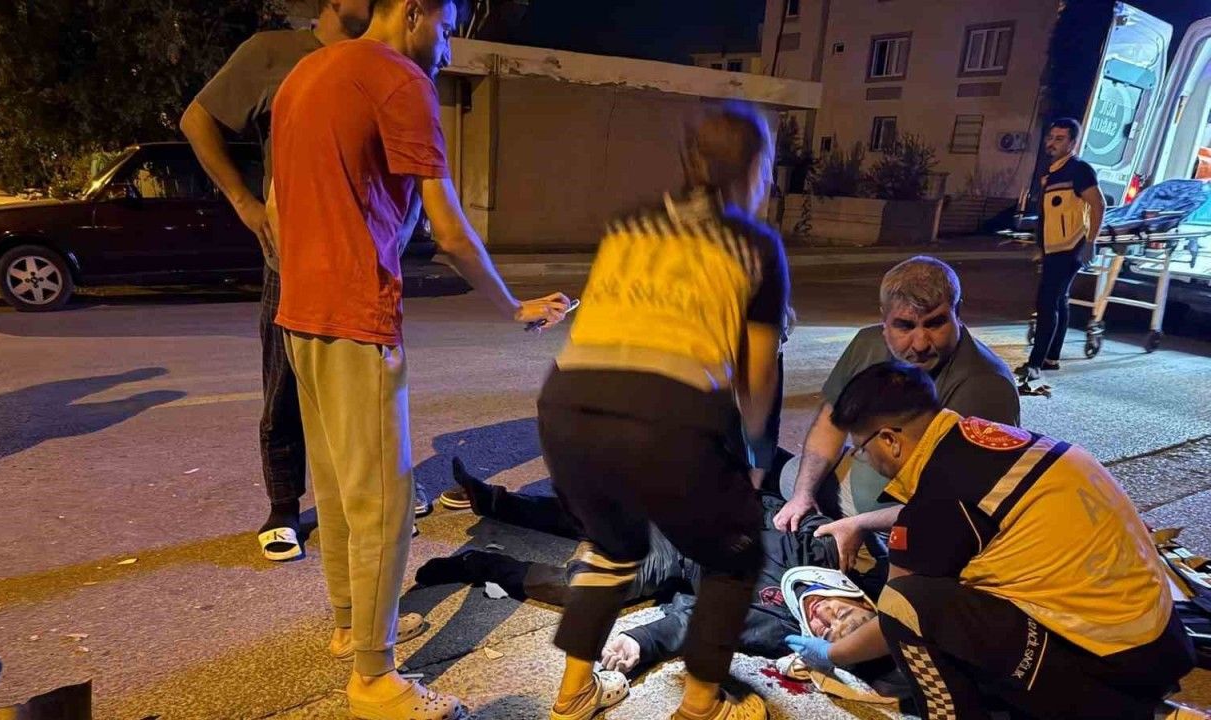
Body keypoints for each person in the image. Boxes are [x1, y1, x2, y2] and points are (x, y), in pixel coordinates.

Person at [269, 0, 570, 717]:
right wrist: (514, 307)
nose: (448, 48)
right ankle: (374, 680)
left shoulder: (303, 76)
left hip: (299, 313)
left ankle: (350, 628)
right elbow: (451, 229)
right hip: (355, 318)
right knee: (384, 502)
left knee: (338, 487)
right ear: (412, 12)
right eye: (447, 26)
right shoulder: (400, 80)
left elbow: (276, 207)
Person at [537, 102, 788, 720]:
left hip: (566, 407)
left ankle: (574, 693)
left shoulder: (629, 224)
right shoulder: (755, 246)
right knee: (734, 554)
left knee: (613, 546)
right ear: (755, 170)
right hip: (668, 418)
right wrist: (751, 458)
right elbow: (756, 382)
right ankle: (701, 705)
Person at [785, 361, 1197, 720]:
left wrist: (830, 654)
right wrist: (859, 523)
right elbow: (960, 515)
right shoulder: (981, 440)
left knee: (906, 604)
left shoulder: (941, 495)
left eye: (860, 449)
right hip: (1158, 642)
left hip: (1111, 664)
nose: (864, 459)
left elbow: (896, 615)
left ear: (889, 440)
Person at [181, 0, 433, 565]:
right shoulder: (279, 55)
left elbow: (410, 168)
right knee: (286, 391)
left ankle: (372, 504)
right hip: (294, 265)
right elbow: (197, 119)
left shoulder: (391, 64)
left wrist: (399, 232)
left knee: (365, 396)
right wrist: (244, 203)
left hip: (367, 271)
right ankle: (284, 505)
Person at [414, 456, 883, 678]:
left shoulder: (778, 625)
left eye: (825, 631)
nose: (822, 615)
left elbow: (697, 621)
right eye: (841, 613)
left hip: (673, 558)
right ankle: (495, 502)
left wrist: (639, 641)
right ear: (859, 599)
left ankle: (481, 564)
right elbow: (767, 506)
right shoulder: (826, 550)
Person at [772, 257, 1018, 573]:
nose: (921, 343)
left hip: (935, 510)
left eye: (935, 324)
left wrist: (862, 524)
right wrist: (803, 495)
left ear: (958, 313)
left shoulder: (985, 384)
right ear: (884, 320)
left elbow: (963, 503)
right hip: (876, 485)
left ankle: (873, 550)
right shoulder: (867, 343)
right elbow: (830, 423)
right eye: (905, 326)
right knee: (795, 476)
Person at [1016, 118, 1105, 385]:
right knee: (1059, 300)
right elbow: (1048, 214)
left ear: (1072, 143)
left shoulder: (1080, 170)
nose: (1051, 142)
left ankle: (1035, 363)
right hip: (1054, 247)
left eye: (1059, 138)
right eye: (1050, 137)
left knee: (1047, 302)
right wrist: (1040, 245)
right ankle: (1051, 357)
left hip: (1070, 247)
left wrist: (1091, 241)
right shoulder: (1053, 171)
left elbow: (1098, 204)